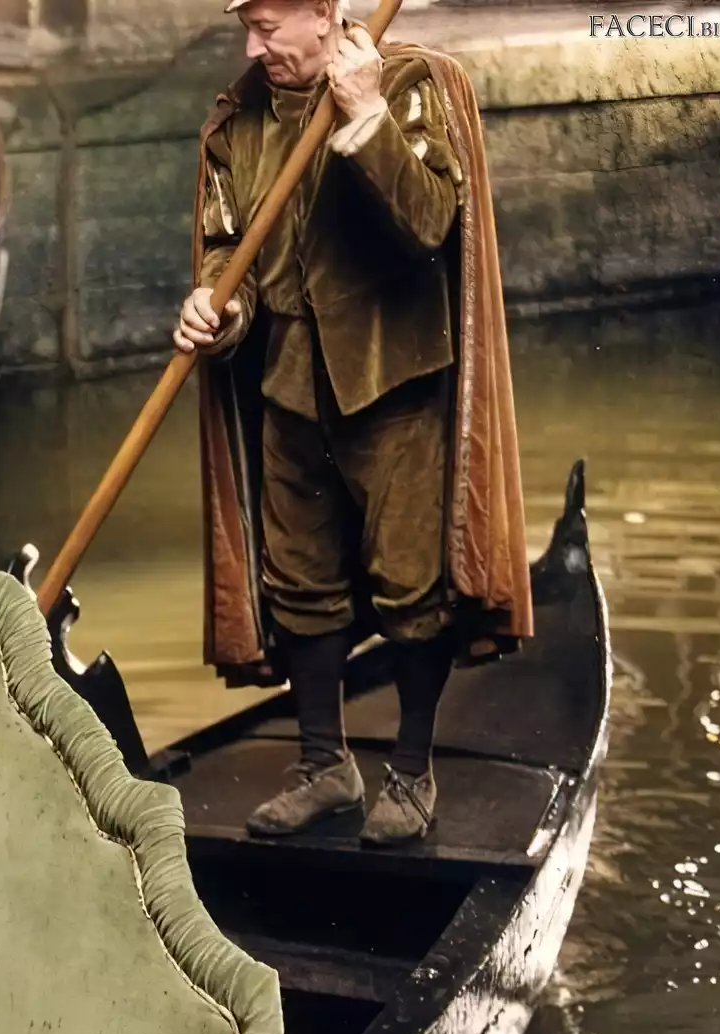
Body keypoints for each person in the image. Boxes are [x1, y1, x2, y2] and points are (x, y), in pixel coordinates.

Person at [175, 0, 533, 844]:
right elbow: (230, 248)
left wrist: (367, 114)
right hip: (289, 389)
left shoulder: (407, 84)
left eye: (268, 28)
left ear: (323, 13)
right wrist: (218, 305)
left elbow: (430, 225)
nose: (253, 47)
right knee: (300, 583)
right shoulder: (240, 120)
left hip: (393, 384)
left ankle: (410, 773)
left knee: (411, 587)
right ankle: (324, 767)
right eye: (246, 28)